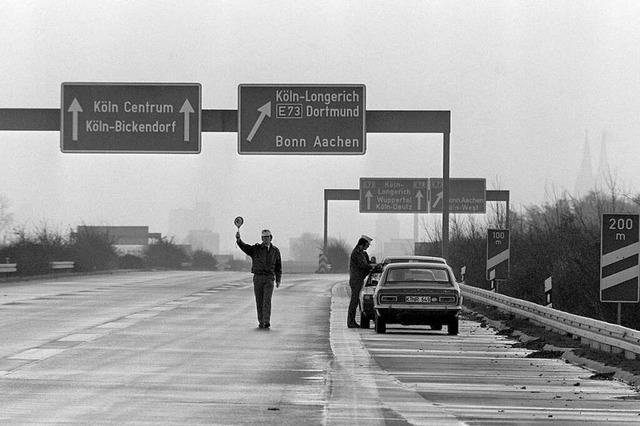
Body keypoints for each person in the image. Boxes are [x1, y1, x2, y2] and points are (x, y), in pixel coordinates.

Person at [236, 229, 282, 329]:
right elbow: (246, 248)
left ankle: (266, 321)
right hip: (258, 277)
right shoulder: (256, 249)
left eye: (267, 237)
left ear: (271, 238)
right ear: (261, 238)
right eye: (264, 237)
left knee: (267, 300)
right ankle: (261, 321)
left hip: (269, 277)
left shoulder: (275, 251)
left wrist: (278, 279)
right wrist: (239, 240)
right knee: (259, 300)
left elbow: (278, 266)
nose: (266, 239)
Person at [347, 235, 374, 328]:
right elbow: (363, 265)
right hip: (356, 279)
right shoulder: (357, 253)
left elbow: (367, 263)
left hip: (359, 279)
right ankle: (351, 322)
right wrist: (373, 267)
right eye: (367, 245)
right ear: (363, 244)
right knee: (354, 301)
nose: (368, 247)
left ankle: (352, 321)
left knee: (356, 301)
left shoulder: (362, 253)